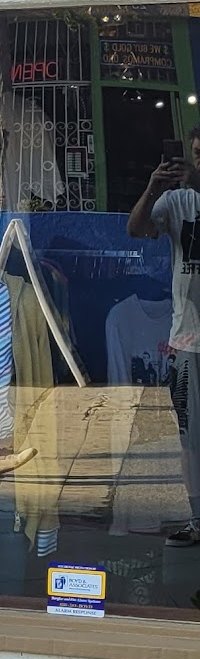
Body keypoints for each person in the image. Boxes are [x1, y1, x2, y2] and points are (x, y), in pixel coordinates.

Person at [126, 130, 200, 544]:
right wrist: (154, 187)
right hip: (188, 338)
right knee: (190, 437)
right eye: (196, 155)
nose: (197, 162)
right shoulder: (178, 201)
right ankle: (197, 517)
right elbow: (136, 229)